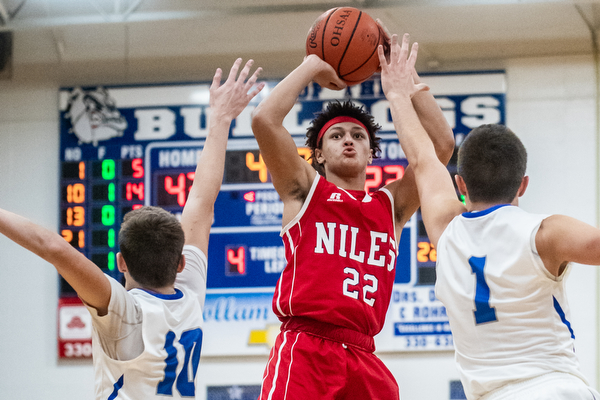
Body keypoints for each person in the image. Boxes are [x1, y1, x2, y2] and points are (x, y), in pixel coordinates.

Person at [0, 58, 264, 399]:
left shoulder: (125, 312)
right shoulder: (190, 296)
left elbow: (54, 247)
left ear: (122, 262)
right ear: (180, 263)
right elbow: (201, 201)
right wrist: (221, 119)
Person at [381, 33, 600, 400]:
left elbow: (421, 158)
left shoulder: (446, 231)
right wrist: (408, 89)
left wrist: (399, 93)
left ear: (461, 184)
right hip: (553, 388)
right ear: (523, 184)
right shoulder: (545, 233)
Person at [250, 28, 455, 399]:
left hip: (364, 353)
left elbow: (441, 146)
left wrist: (409, 84)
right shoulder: (305, 191)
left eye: (358, 136)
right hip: (306, 347)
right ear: (320, 155)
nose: (349, 140)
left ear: (370, 154)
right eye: (337, 135)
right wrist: (312, 64)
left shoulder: (391, 206)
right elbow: (265, 120)